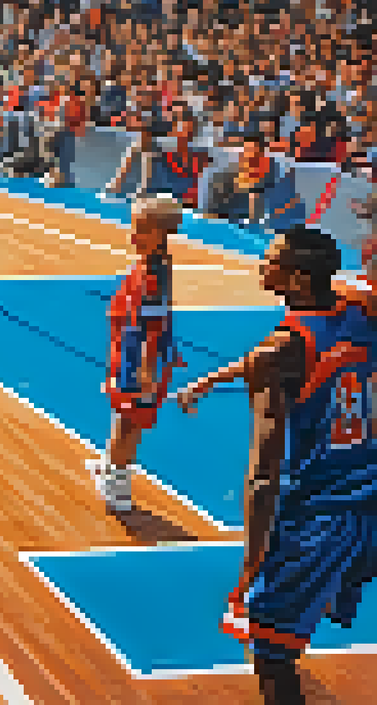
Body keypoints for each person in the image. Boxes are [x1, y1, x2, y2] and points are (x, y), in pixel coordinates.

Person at [176, 227, 377, 705]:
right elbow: (275, 356)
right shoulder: (360, 310)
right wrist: (211, 378)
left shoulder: (279, 355)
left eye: (272, 261)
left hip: (323, 514)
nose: (262, 266)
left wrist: (251, 562)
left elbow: (263, 475)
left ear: (300, 281)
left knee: (271, 651)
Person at [92, 195, 187, 512]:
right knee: (125, 417)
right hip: (134, 351)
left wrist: (147, 368)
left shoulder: (154, 275)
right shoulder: (155, 265)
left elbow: (153, 322)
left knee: (129, 421)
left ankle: (115, 482)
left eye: (141, 230)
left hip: (138, 359)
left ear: (160, 234)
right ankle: (111, 467)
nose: (133, 236)